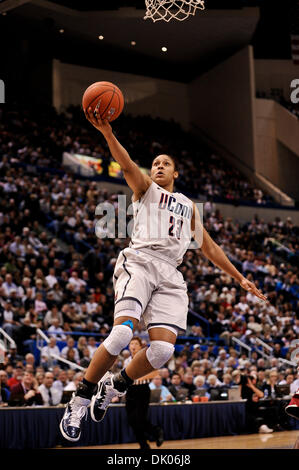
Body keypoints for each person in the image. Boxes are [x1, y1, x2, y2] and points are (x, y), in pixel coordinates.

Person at [60, 108, 267, 441]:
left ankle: (115, 386)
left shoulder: (187, 205)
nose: (157, 166)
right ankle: (80, 399)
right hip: (140, 262)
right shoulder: (145, 189)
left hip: (171, 273)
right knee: (122, 335)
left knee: (162, 352)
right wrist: (108, 133)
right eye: (154, 163)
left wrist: (238, 277)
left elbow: (210, 248)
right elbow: (126, 163)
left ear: (176, 173)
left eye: (164, 163)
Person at [124, 336, 164, 449]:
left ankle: (156, 431)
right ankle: (144, 444)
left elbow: (155, 373)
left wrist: (137, 378)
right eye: (131, 344)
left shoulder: (145, 358)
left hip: (142, 390)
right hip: (130, 390)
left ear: (140, 346)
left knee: (140, 418)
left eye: (136, 344)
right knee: (131, 420)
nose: (133, 346)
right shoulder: (126, 361)